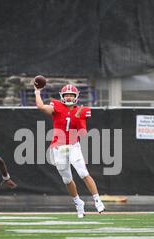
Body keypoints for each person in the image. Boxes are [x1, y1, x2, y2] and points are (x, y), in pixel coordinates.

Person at [34, 83, 105, 218]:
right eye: (66, 95)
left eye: (71, 95)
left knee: (83, 172)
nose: (68, 97)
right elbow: (41, 107)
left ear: (76, 97)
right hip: (58, 147)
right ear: (62, 96)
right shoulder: (57, 106)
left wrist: (77, 118)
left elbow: (83, 134)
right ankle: (78, 202)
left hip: (73, 145)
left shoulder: (82, 111)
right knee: (67, 179)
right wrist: (37, 92)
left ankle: (97, 200)